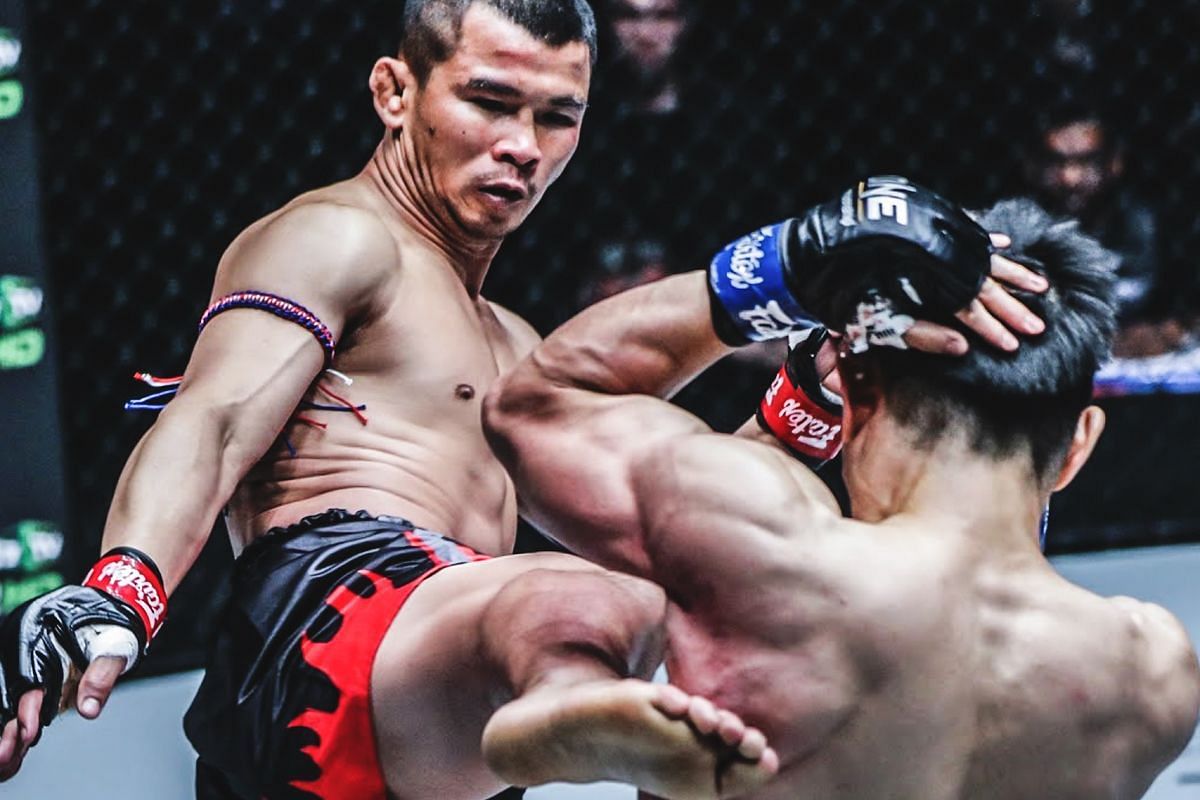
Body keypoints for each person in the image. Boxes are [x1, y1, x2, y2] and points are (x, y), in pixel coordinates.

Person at [0, 2, 788, 798]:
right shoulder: (343, 237)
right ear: (394, 93)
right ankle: (574, 709)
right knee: (567, 600)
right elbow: (217, 417)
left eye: (556, 117)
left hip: (434, 718)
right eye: (488, 101)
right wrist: (122, 588)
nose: (522, 146)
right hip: (326, 623)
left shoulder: (517, 347)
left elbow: (667, 514)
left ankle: (573, 709)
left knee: (674, 601)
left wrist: (809, 397)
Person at [483, 183, 1200, 798]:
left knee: (556, 607)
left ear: (853, 392)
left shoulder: (765, 545)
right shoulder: (1153, 673)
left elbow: (533, 407)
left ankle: (561, 695)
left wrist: (789, 266)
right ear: (1080, 442)